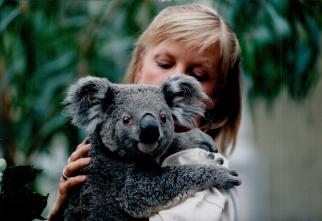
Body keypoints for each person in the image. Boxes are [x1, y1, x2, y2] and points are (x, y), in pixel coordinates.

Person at [48, 3, 241, 221]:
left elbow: (137, 195)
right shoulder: (102, 144)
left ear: (214, 98)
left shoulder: (205, 191)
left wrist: (204, 173)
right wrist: (57, 213)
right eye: (165, 63)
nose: (175, 79)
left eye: (197, 74)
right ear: (139, 68)